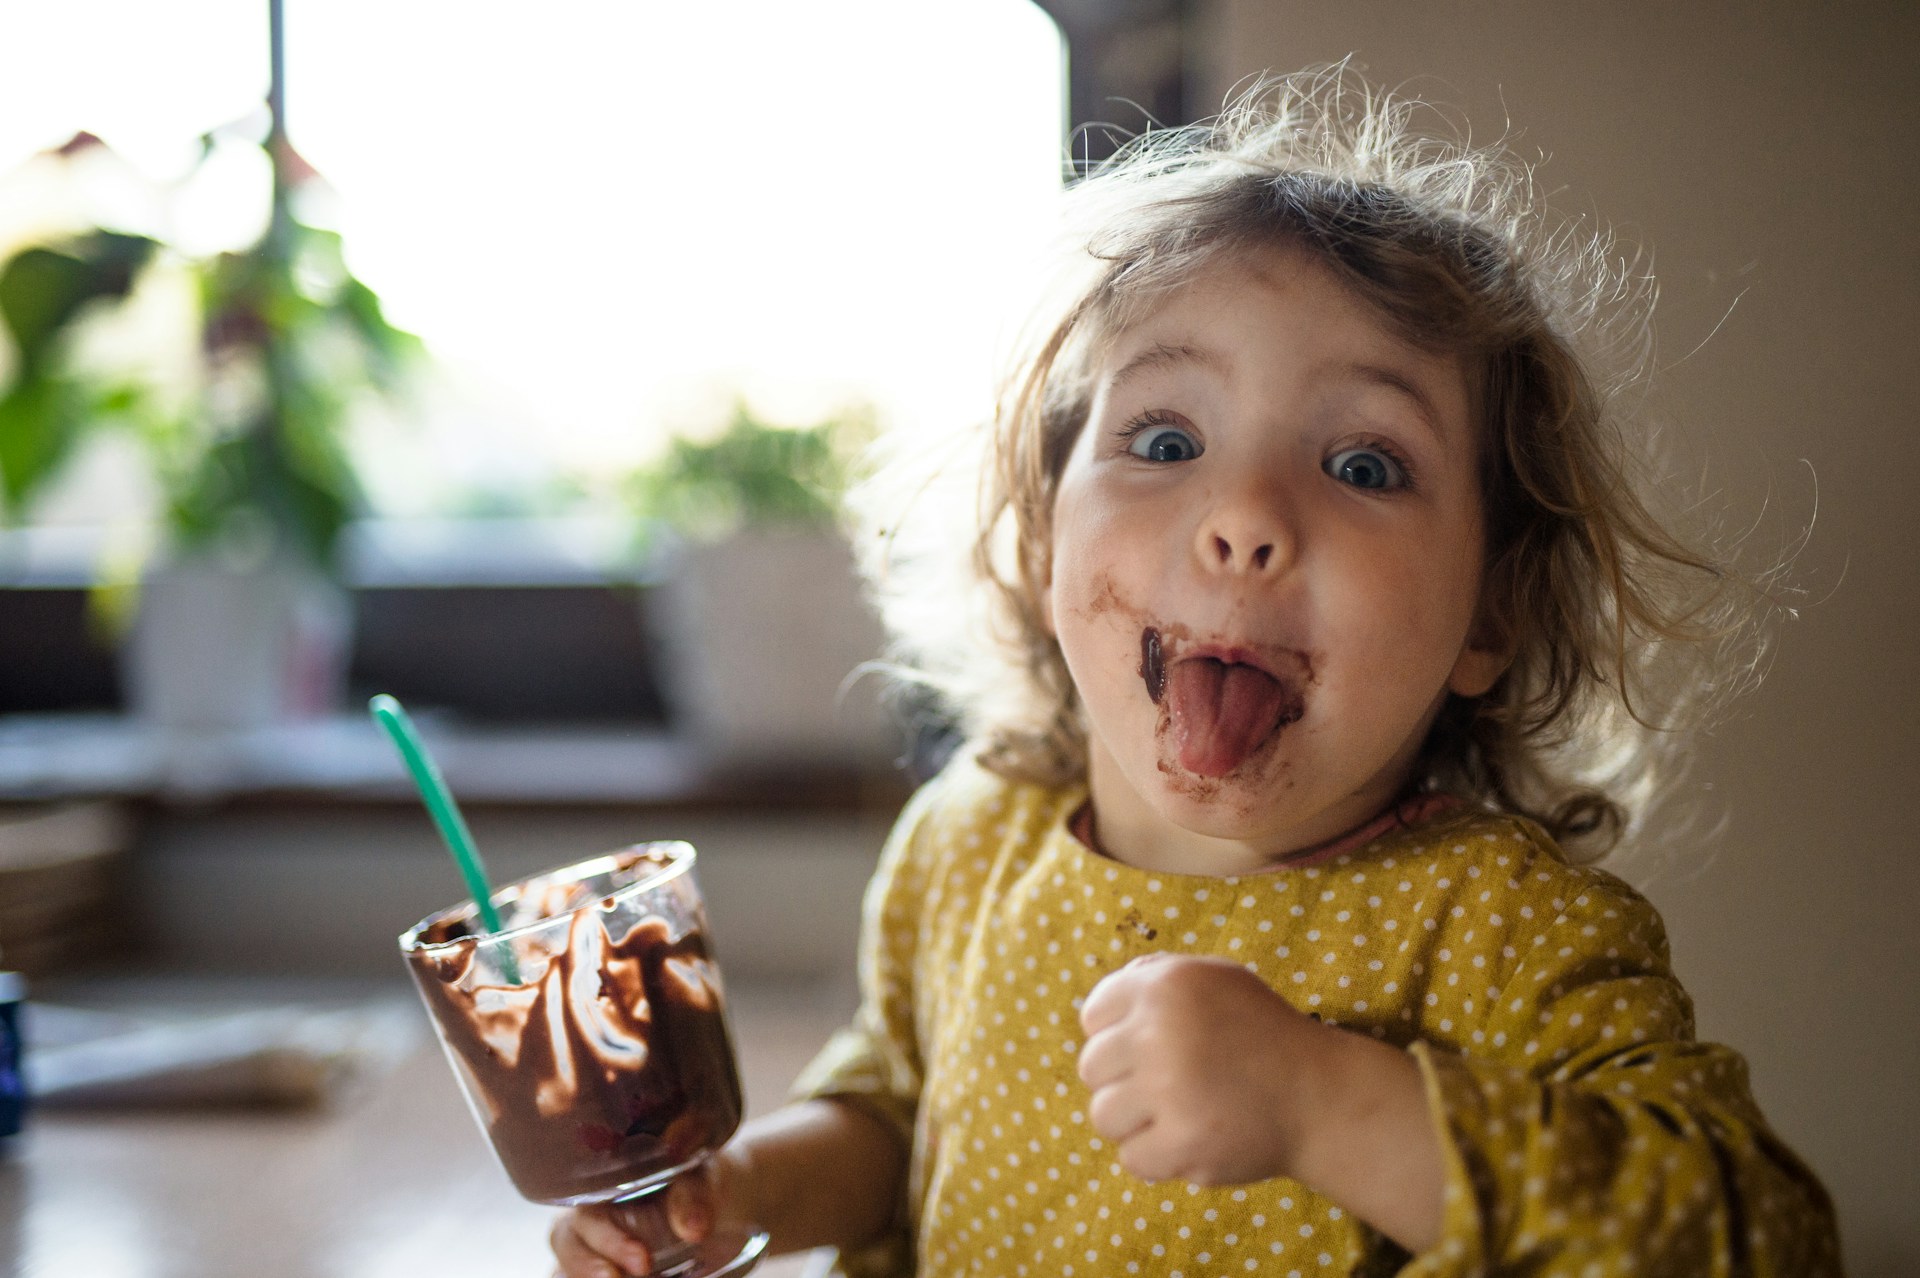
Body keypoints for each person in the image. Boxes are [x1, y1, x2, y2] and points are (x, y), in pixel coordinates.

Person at [552, 69, 1841, 1277]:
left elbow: (1763, 1231)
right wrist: (743, 1194)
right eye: (1166, 437)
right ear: (1045, 525)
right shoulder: (968, 840)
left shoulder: (1507, 932)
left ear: (1491, 614)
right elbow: (894, 1111)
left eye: (1366, 465)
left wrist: (1333, 1106)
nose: (1246, 515)